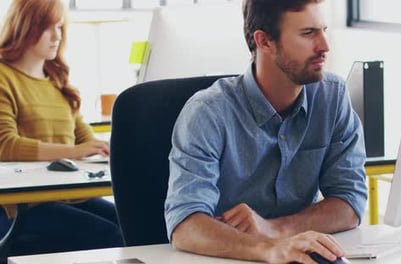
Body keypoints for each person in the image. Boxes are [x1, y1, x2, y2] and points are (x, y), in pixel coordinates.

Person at [165, 0, 367, 263]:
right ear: (265, 42)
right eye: (308, 34)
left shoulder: (332, 96)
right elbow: (185, 226)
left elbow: (350, 201)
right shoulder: (207, 112)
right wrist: (269, 248)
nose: (324, 46)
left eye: (323, 30)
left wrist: (277, 229)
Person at [0, 0, 123, 257]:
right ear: (24, 27)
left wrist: (101, 149)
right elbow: (6, 145)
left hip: (69, 196)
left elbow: (86, 140)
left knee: (137, 227)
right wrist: (76, 150)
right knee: (113, 237)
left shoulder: (57, 83)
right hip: (23, 207)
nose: (57, 35)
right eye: (48, 27)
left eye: (59, 27)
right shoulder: (4, 78)